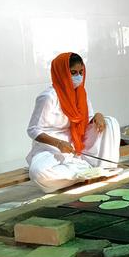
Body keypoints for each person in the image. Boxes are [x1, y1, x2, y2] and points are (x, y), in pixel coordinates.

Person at [26, 52, 120, 193]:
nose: (79, 77)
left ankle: (103, 168)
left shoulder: (80, 92)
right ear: (62, 73)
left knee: (110, 122)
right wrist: (58, 143)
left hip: (76, 144)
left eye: (81, 72)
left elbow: (87, 119)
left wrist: (98, 116)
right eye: (73, 73)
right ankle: (85, 173)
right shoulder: (47, 97)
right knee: (39, 173)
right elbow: (33, 130)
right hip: (50, 148)